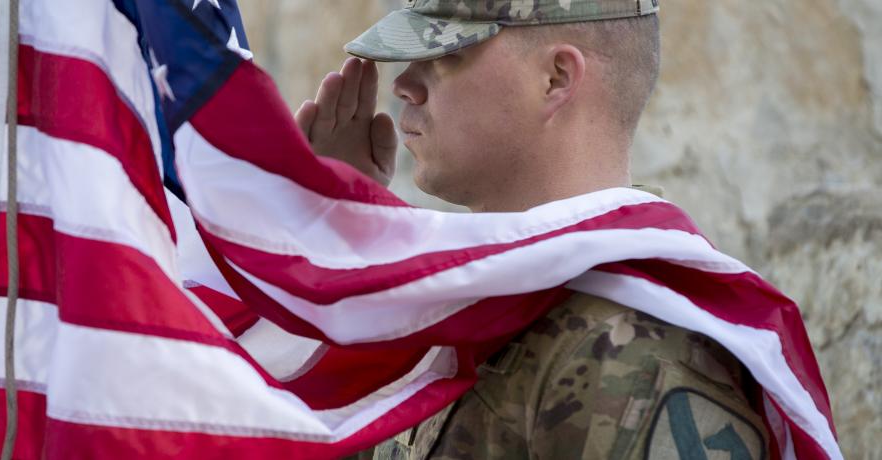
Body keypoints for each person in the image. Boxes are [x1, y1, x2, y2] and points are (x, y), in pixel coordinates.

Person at [294, 1, 770, 458]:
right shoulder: (455, 300)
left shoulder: (637, 346)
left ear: (555, 78)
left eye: (445, 55)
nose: (404, 85)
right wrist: (339, 243)